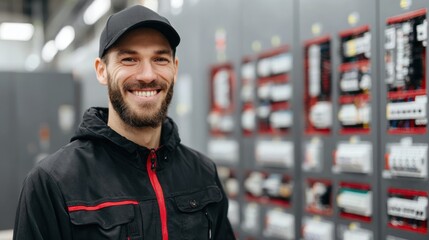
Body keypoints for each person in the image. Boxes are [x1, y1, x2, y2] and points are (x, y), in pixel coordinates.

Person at [13, 5, 235, 240]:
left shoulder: (202, 173)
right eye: (129, 59)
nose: (148, 75)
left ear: (175, 69)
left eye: (160, 59)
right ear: (102, 71)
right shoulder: (52, 184)